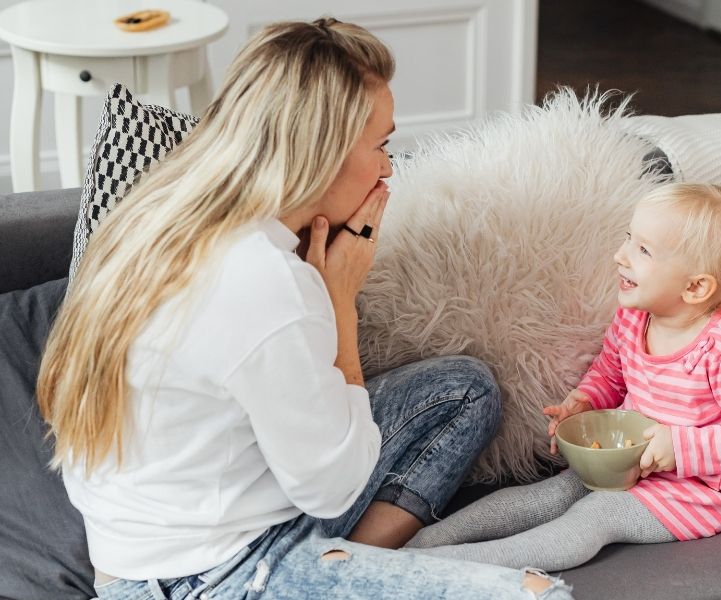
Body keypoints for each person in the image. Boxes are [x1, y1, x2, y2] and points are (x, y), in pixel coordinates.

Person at [36, 19, 573, 599]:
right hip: (207, 576)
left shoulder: (160, 212)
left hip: (148, 548)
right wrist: (338, 300)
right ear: (322, 155)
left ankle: (346, 567)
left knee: (463, 390)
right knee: (539, 594)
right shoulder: (262, 280)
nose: (389, 168)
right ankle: (337, 576)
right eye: (382, 146)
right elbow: (335, 489)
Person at [404, 171, 721, 571]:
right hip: (627, 463)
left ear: (695, 288)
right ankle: (414, 547)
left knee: (597, 515)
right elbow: (611, 374)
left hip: (700, 488)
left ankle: (441, 566)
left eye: (643, 250)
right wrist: (586, 400)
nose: (621, 255)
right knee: (550, 495)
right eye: (629, 237)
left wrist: (678, 447)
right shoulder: (633, 320)